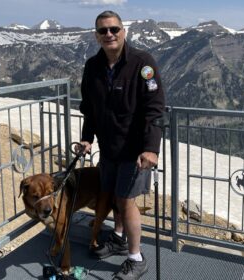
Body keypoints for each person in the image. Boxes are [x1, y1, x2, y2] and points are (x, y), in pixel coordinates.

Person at [77, 10, 165, 280]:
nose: (109, 35)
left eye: (114, 29)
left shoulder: (143, 63)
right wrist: (86, 138)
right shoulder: (93, 67)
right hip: (109, 148)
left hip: (135, 151)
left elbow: (155, 108)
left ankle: (136, 258)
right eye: (103, 31)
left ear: (124, 32)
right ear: (96, 35)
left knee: (126, 202)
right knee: (114, 195)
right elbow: (90, 109)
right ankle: (118, 237)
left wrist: (151, 149)